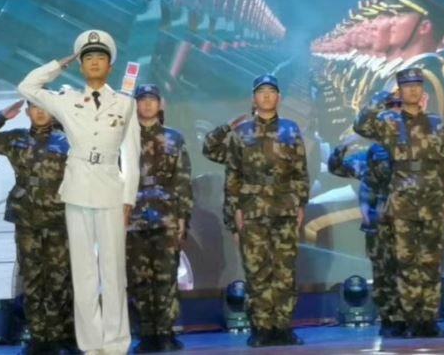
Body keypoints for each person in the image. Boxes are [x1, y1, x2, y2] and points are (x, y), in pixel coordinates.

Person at [18, 30, 141, 355]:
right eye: (87, 58)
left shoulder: (125, 103)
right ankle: (91, 345)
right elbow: (27, 87)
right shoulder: (67, 99)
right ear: (81, 66)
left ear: (110, 66)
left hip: (111, 189)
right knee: (83, 272)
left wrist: (129, 197)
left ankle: (116, 344)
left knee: (113, 271)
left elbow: (132, 155)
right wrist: (59, 65)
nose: (94, 62)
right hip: (77, 188)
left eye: (100, 57)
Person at [203, 74, 310, 347]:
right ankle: (261, 328)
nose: (266, 96)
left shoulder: (291, 129)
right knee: (257, 271)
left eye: (271, 91)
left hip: (285, 208)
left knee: (285, 271)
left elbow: (300, 171)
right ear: (254, 98)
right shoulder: (241, 133)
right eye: (261, 92)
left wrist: (301, 204)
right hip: (252, 210)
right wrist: (234, 214)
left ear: (279, 98)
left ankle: (283, 327)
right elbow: (231, 174)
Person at [354, 67, 444, 338]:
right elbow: (361, 125)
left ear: (422, 90)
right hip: (401, 202)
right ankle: (411, 319)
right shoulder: (388, 121)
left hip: (431, 199)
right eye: (407, 86)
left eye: (417, 85)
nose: (413, 90)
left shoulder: (435, 123)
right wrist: (381, 97)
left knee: (431, 262)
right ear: (400, 90)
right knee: (406, 262)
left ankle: (428, 319)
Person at [0, 100, 74, 355]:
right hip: (27, 220)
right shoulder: (16, 138)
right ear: (28, 112)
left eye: (45, 107)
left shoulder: (68, 140)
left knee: (58, 280)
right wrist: (1, 116)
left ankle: (57, 336)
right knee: (32, 280)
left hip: (59, 219)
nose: (40, 112)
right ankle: (38, 337)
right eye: (35, 107)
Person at [127, 85, 194, 353]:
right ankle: (146, 333)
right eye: (142, 99)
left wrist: (183, 217)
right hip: (132, 218)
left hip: (166, 216)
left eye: (151, 100)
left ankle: (166, 332)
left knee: (166, 277)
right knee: (139, 279)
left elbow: (183, 179)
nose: (147, 104)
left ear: (160, 104)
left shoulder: (174, 138)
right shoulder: (124, 139)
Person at [327, 98, 398, 334]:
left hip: (404, 225)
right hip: (376, 227)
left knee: (407, 272)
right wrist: (344, 145)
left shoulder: (404, 158)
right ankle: (389, 319)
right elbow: (335, 167)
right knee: (382, 274)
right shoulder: (366, 159)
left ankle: (409, 317)